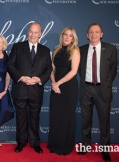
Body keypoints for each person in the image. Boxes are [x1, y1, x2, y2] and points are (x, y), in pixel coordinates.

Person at [7, 22, 52, 154]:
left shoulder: (45, 50)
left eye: (36, 32)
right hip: (20, 88)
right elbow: (10, 65)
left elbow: (49, 69)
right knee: (21, 117)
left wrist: (40, 79)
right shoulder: (17, 47)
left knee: (34, 117)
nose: (33, 34)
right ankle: (21, 141)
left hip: (36, 90)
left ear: (40, 34)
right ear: (27, 33)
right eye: (31, 31)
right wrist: (21, 77)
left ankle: (34, 142)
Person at [77, 23, 118, 162]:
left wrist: (104, 83)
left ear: (101, 34)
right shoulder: (81, 50)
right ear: (87, 35)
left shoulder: (111, 49)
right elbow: (78, 70)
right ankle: (86, 145)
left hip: (102, 90)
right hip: (86, 89)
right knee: (85, 120)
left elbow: (113, 70)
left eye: (97, 32)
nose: (94, 34)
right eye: (91, 32)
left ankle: (105, 150)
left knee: (104, 122)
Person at [47, 27, 80, 155]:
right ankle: (54, 144)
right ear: (61, 36)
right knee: (56, 116)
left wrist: (58, 83)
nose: (67, 37)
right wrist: (54, 83)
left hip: (68, 88)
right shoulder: (56, 50)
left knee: (66, 117)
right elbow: (51, 69)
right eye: (65, 34)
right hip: (56, 87)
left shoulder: (75, 51)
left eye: (70, 35)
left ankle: (65, 147)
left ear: (73, 38)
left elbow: (73, 71)